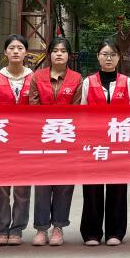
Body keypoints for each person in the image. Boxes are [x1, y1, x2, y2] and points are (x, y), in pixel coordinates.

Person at [79, 40, 130, 246]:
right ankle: (91, 233)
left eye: (112, 54)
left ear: (118, 58)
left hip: (119, 144)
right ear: (98, 57)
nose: (108, 58)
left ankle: (115, 232)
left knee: (117, 189)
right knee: (92, 189)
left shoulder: (127, 82)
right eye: (104, 54)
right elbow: (82, 113)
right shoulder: (88, 82)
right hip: (94, 144)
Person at [28, 36, 83, 246]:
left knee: (64, 185)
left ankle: (58, 227)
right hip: (43, 138)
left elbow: (77, 110)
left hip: (67, 138)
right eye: (55, 50)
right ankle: (41, 228)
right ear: (49, 54)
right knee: (42, 185)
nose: (59, 54)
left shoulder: (77, 78)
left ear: (69, 55)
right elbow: (33, 108)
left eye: (63, 51)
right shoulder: (37, 77)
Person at [0, 34, 35, 246]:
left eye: (20, 48)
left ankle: (17, 229)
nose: (16, 51)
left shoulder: (34, 78)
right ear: (5, 52)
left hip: (26, 142)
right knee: (1, 187)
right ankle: (1, 229)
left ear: (26, 52)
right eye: (11, 48)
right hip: (1, 142)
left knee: (22, 188)